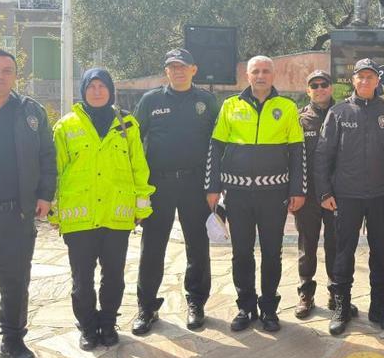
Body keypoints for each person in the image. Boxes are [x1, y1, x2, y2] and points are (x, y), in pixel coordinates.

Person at [52, 68, 154, 350]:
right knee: (82, 278)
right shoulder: (65, 126)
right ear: (83, 90)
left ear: (111, 90)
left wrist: (142, 204)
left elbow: (139, 167)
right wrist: (54, 211)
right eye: (91, 86)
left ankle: (108, 323)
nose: (97, 91)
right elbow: (56, 170)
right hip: (79, 216)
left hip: (117, 214)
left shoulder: (128, 124)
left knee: (114, 276)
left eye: (102, 86)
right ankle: (87, 326)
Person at [0, 49, 56, 358]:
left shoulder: (30, 112)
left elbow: (48, 155)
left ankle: (13, 340)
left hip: (15, 214)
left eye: (7, 70)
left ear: (15, 76)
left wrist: (45, 195)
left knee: (16, 281)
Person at [205, 55, 304, 333]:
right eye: (255, 71)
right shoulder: (230, 105)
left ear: (273, 75)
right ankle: (245, 306)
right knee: (241, 254)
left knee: (272, 253)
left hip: (274, 194)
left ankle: (269, 308)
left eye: (265, 71)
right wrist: (212, 187)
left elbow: (298, 152)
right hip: (237, 194)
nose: (260, 76)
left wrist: (298, 189)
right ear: (247, 76)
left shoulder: (286, 107)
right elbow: (215, 147)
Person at [132, 49, 219, 335]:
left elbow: (217, 146)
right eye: (172, 67)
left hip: (195, 185)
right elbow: (133, 144)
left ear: (194, 69)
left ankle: (196, 302)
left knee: (198, 246)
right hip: (159, 185)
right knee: (152, 248)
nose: (178, 71)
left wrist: (214, 185)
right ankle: (146, 307)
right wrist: (137, 188)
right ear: (166, 71)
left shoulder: (207, 102)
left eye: (183, 66)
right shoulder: (150, 100)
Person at [315, 59, 384, 335]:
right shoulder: (339, 112)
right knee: (343, 253)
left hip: (381, 195)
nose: (365, 81)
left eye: (370, 77)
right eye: (360, 77)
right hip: (346, 196)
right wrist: (325, 191)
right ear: (353, 80)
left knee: (381, 254)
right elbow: (323, 155)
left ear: (378, 81)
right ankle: (342, 306)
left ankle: (379, 307)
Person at [294, 69, 342, 318]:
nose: (320, 88)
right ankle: (306, 293)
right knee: (307, 244)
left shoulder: (343, 113)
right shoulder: (299, 118)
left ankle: (336, 293)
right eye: (315, 85)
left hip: (337, 194)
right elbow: (291, 157)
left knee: (335, 244)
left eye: (324, 84)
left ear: (331, 88)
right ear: (308, 90)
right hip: (309, 194)